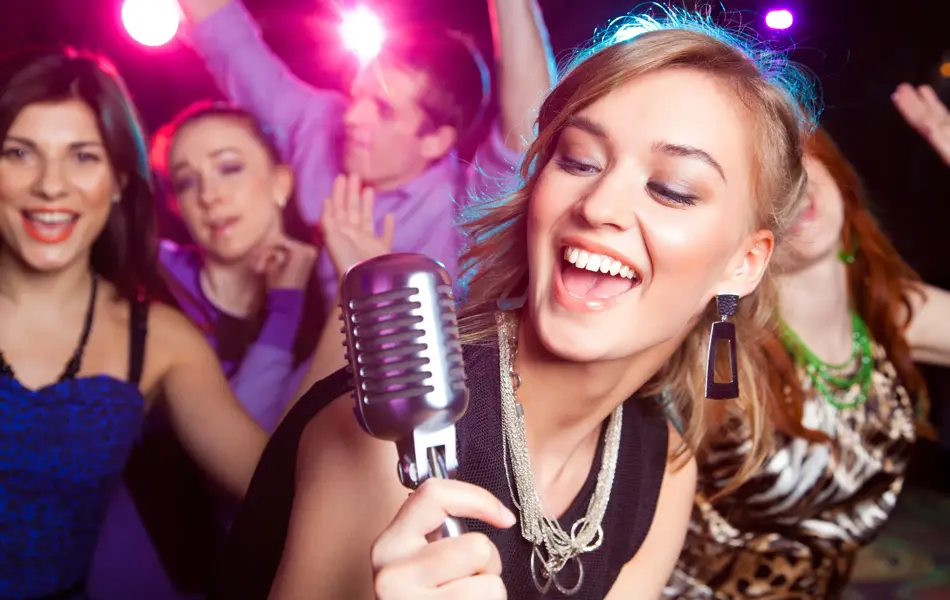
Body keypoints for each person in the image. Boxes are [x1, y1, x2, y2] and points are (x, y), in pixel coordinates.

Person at [209, 11, 818, 599]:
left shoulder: (663, 474)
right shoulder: (383, 438)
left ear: (744, 263)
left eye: (671, 189)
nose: (599, 205)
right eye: (578, 160)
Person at [0, 48, 267, 599]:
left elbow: (282, 492)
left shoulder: (163, 341)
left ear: (120, 178)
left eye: (83, 157)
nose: (51, 186)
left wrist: (345, 297)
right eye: (20, 153)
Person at [665, 126, 950, 599]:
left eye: (794, 158)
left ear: (835, 170)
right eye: (761, 179)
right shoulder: (717, 339)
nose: (790, 186)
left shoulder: (884, 311)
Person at [174, 0, 556, 310]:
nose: (352, 116)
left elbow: (531, 120)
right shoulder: (319, 123)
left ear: (435, 141)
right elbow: (232, 45)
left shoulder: (465, 211)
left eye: (384, 110)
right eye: (358, 94)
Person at [87, 102, 322, 600]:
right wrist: (283, 313)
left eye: (229, 167)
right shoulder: (146, 281)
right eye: (186, 181)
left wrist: (295, 304)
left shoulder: (327, 295)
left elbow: (281, 472)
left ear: (281, 182)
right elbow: (226, 469)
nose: (209, 196)